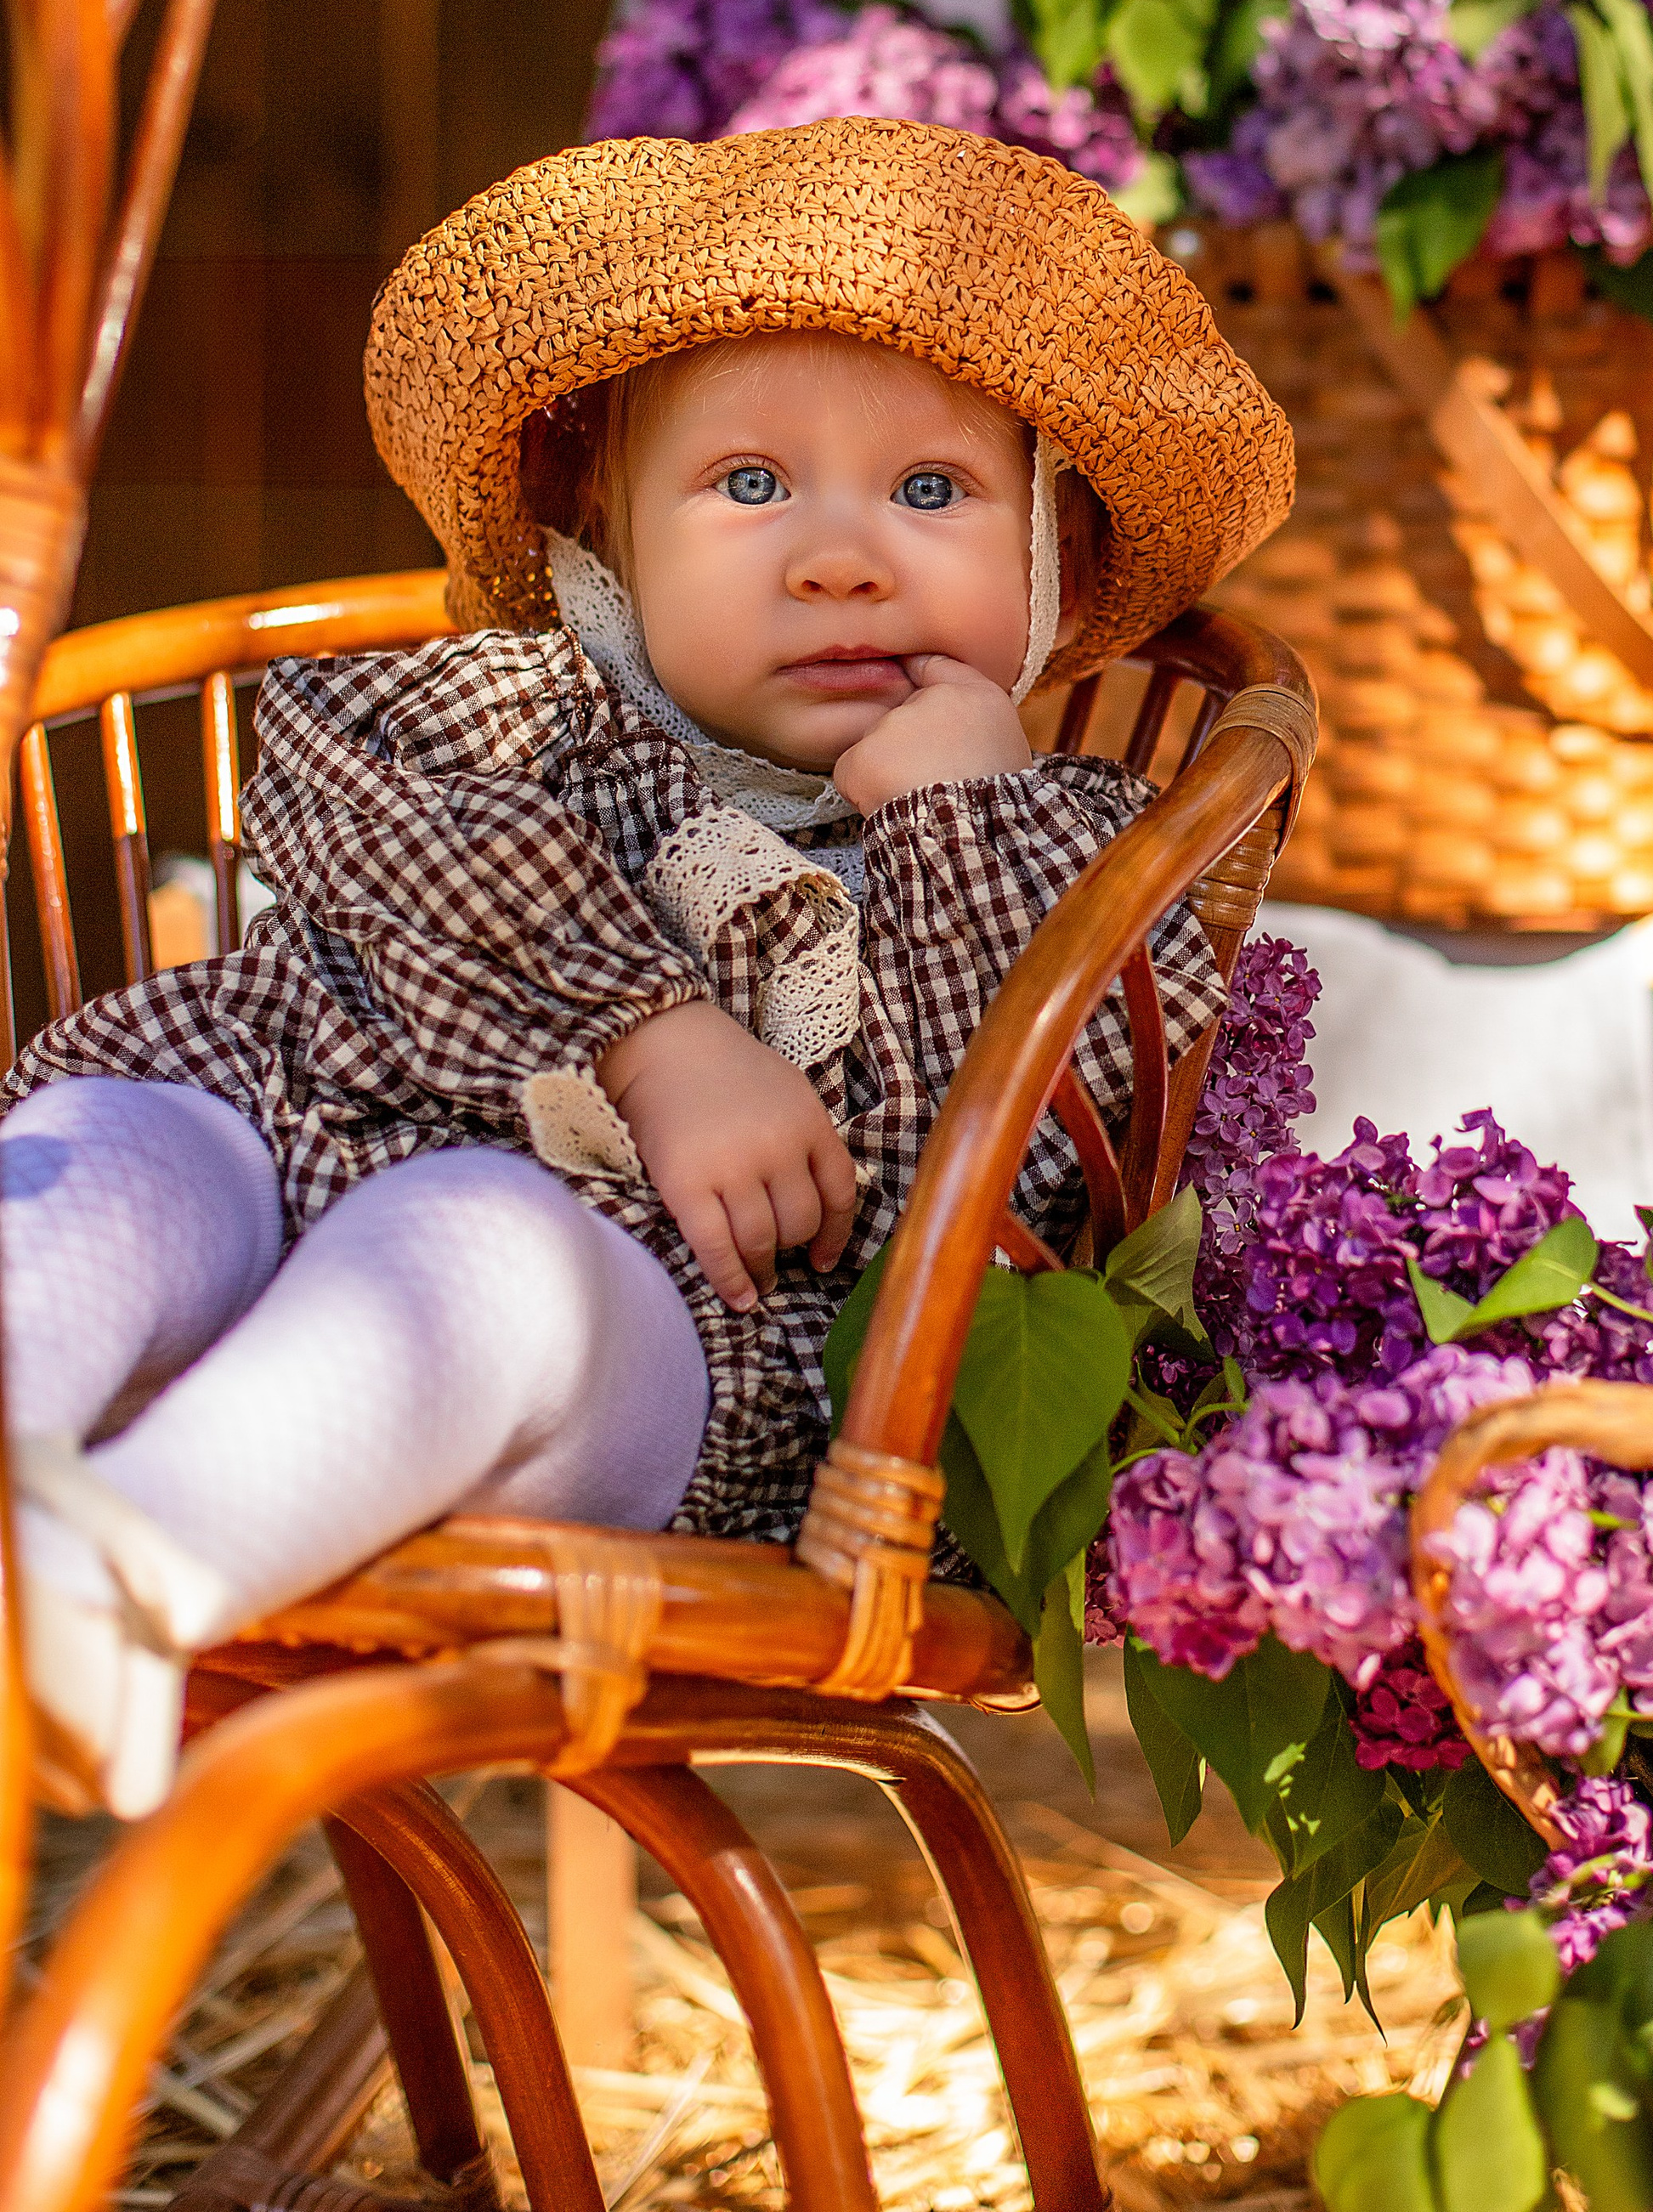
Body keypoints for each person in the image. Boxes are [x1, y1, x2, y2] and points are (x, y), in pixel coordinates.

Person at [0, 117, 1293, 1813]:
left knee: (469, 1249)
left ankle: (129, 1584)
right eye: (747, 485)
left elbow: (1009, 1198)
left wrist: (954, 829)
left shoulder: (1072, 854)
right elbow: (332, 787)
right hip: (269, 1161)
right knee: (120, 1137)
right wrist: (653, 1029)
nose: (840, 556)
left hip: (640, 1345)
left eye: (931, 491)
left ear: (1044, 554)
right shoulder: (527, 708)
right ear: (604, 525)